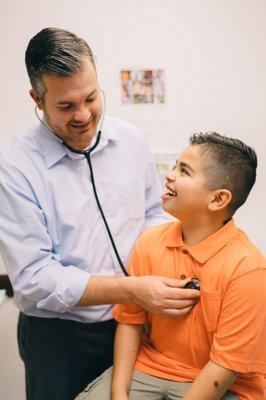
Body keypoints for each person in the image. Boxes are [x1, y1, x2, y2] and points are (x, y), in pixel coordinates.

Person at [0, 28, 199, 400]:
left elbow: (153, 216)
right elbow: (34, 278)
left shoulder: (130, 140)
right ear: (37, 99)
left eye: (91, 98)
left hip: (134, 324)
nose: (84, 115)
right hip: (58, 340)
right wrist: (135, 290)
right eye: (66, 106)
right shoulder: (13, 167)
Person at [78, 132, 266, 400]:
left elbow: (224, 367)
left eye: (184, 171)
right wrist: (119, 394)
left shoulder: (248, 269)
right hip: (151, 369)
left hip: (222, 383)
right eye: (175, 166)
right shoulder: (150, 242)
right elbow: (130, 322)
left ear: (217, 200)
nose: (169, 175)